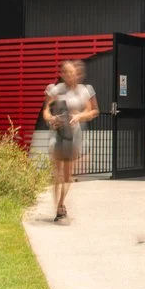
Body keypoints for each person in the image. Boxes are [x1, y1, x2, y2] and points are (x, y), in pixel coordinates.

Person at [41, 60, 98, 220]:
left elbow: (92, 111)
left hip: (73, 135)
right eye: (67, 73)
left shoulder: (83, 91)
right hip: (57, 133)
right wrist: (51, 118)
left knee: (67, 176)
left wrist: (79, 116)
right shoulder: (56, 90)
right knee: (57, 172)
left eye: (73, 73)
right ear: (62, 74)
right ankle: (58, 207)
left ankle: (60, 203)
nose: (70, 76)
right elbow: (45, 110)